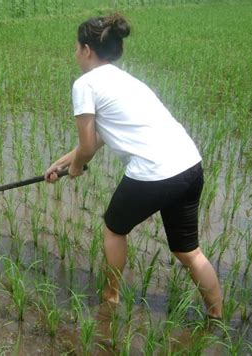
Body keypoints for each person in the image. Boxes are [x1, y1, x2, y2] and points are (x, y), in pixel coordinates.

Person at [44, 14, 222, 319]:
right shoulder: (124, 80)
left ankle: (110, 298)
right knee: (187, 251)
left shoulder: (85, 84)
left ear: (87, 50)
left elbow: (87, 147)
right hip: (190, 166)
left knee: (114, 228)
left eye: (76, 47)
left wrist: (75, 168)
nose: (75, 53)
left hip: (156, 171)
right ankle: (217, 316)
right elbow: (98, 139)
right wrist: (61, 164)